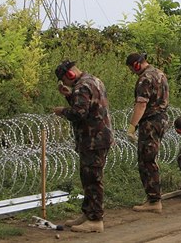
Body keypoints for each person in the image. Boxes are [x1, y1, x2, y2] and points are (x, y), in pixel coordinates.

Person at [52, 60, 114, 233]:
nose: (66, 84)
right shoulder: (94, 80)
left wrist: (62, 111)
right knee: (88, 178)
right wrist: (69, 95)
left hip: (93, 139)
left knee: (93, 179)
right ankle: (88, 213)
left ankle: (95, 220)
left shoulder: (81, 87)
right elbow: (89, 105)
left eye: (65, 80)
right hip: (98, 137)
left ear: (69, 75)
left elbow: (79, 112)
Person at [125, 53, 169, 214]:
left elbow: (141, 104)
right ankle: (153, 197)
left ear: (136, 65)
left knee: (146, 160)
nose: (132, 72)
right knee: (151, 158)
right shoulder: (160, 73)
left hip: (150, 122)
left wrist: (132, 126)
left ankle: (154, 200)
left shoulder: (145, 78)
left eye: (131, 68)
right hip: (161, 119)